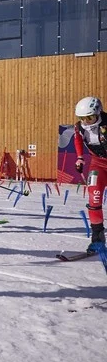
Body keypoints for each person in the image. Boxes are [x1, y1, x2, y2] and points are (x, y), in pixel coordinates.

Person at [73, 96, 107, 255]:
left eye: (90, 117)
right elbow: (78, 140)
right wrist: (80, 157)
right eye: (83, 118)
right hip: (98, 163)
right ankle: (97, 239)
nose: (86, 121)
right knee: (94, 197)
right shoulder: (80, 127)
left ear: (98, 113)